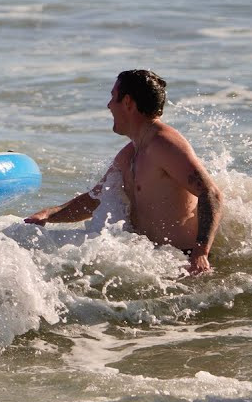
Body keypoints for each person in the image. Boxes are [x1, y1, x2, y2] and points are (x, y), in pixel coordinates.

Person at [24, 70, 224, 273]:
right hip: (152, 262)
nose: (109, 105)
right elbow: (96, 199)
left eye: (113, 97)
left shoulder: (164, 145)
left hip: (186, 262)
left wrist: (200, 253)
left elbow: (211, 193)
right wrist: (49, 214)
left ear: (127, 102)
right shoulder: (128, 155)